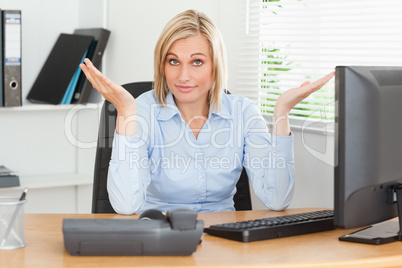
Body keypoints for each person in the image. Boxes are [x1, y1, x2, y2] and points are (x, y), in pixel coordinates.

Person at [80, 9, 334, 214]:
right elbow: (126, 206)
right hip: (158, 235)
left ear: (216, 66)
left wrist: (282, 113)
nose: (183, 76)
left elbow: (277, 200)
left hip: (223, 240)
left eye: (197, 62)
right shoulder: (143, 110)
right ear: (163, 65)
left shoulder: (243, 112)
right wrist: (126, 111)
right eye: (173, 61)